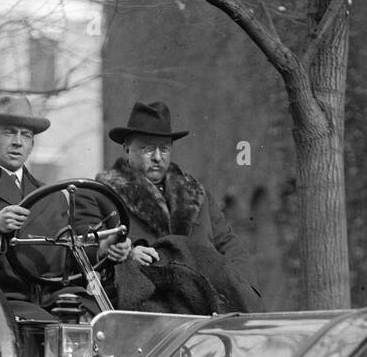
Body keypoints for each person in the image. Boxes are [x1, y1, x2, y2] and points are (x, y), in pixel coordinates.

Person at [0, 95, 130, 305]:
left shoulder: (53, 196)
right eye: (9, 132)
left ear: (32, 145)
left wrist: (102, 250)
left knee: (102, 322)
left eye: (26, 135)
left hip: (54, 298)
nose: (17, 142)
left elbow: (65, 254)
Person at [97, 101, 259, 312]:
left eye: (163, 149)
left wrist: (241, 286)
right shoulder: (102, 193)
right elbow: (90, 246)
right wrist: (127, 255)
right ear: (127, 149)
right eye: (147, 148)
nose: (157, 157)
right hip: (150, 305)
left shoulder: (197, 194)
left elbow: (229, 244)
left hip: (208, 303)